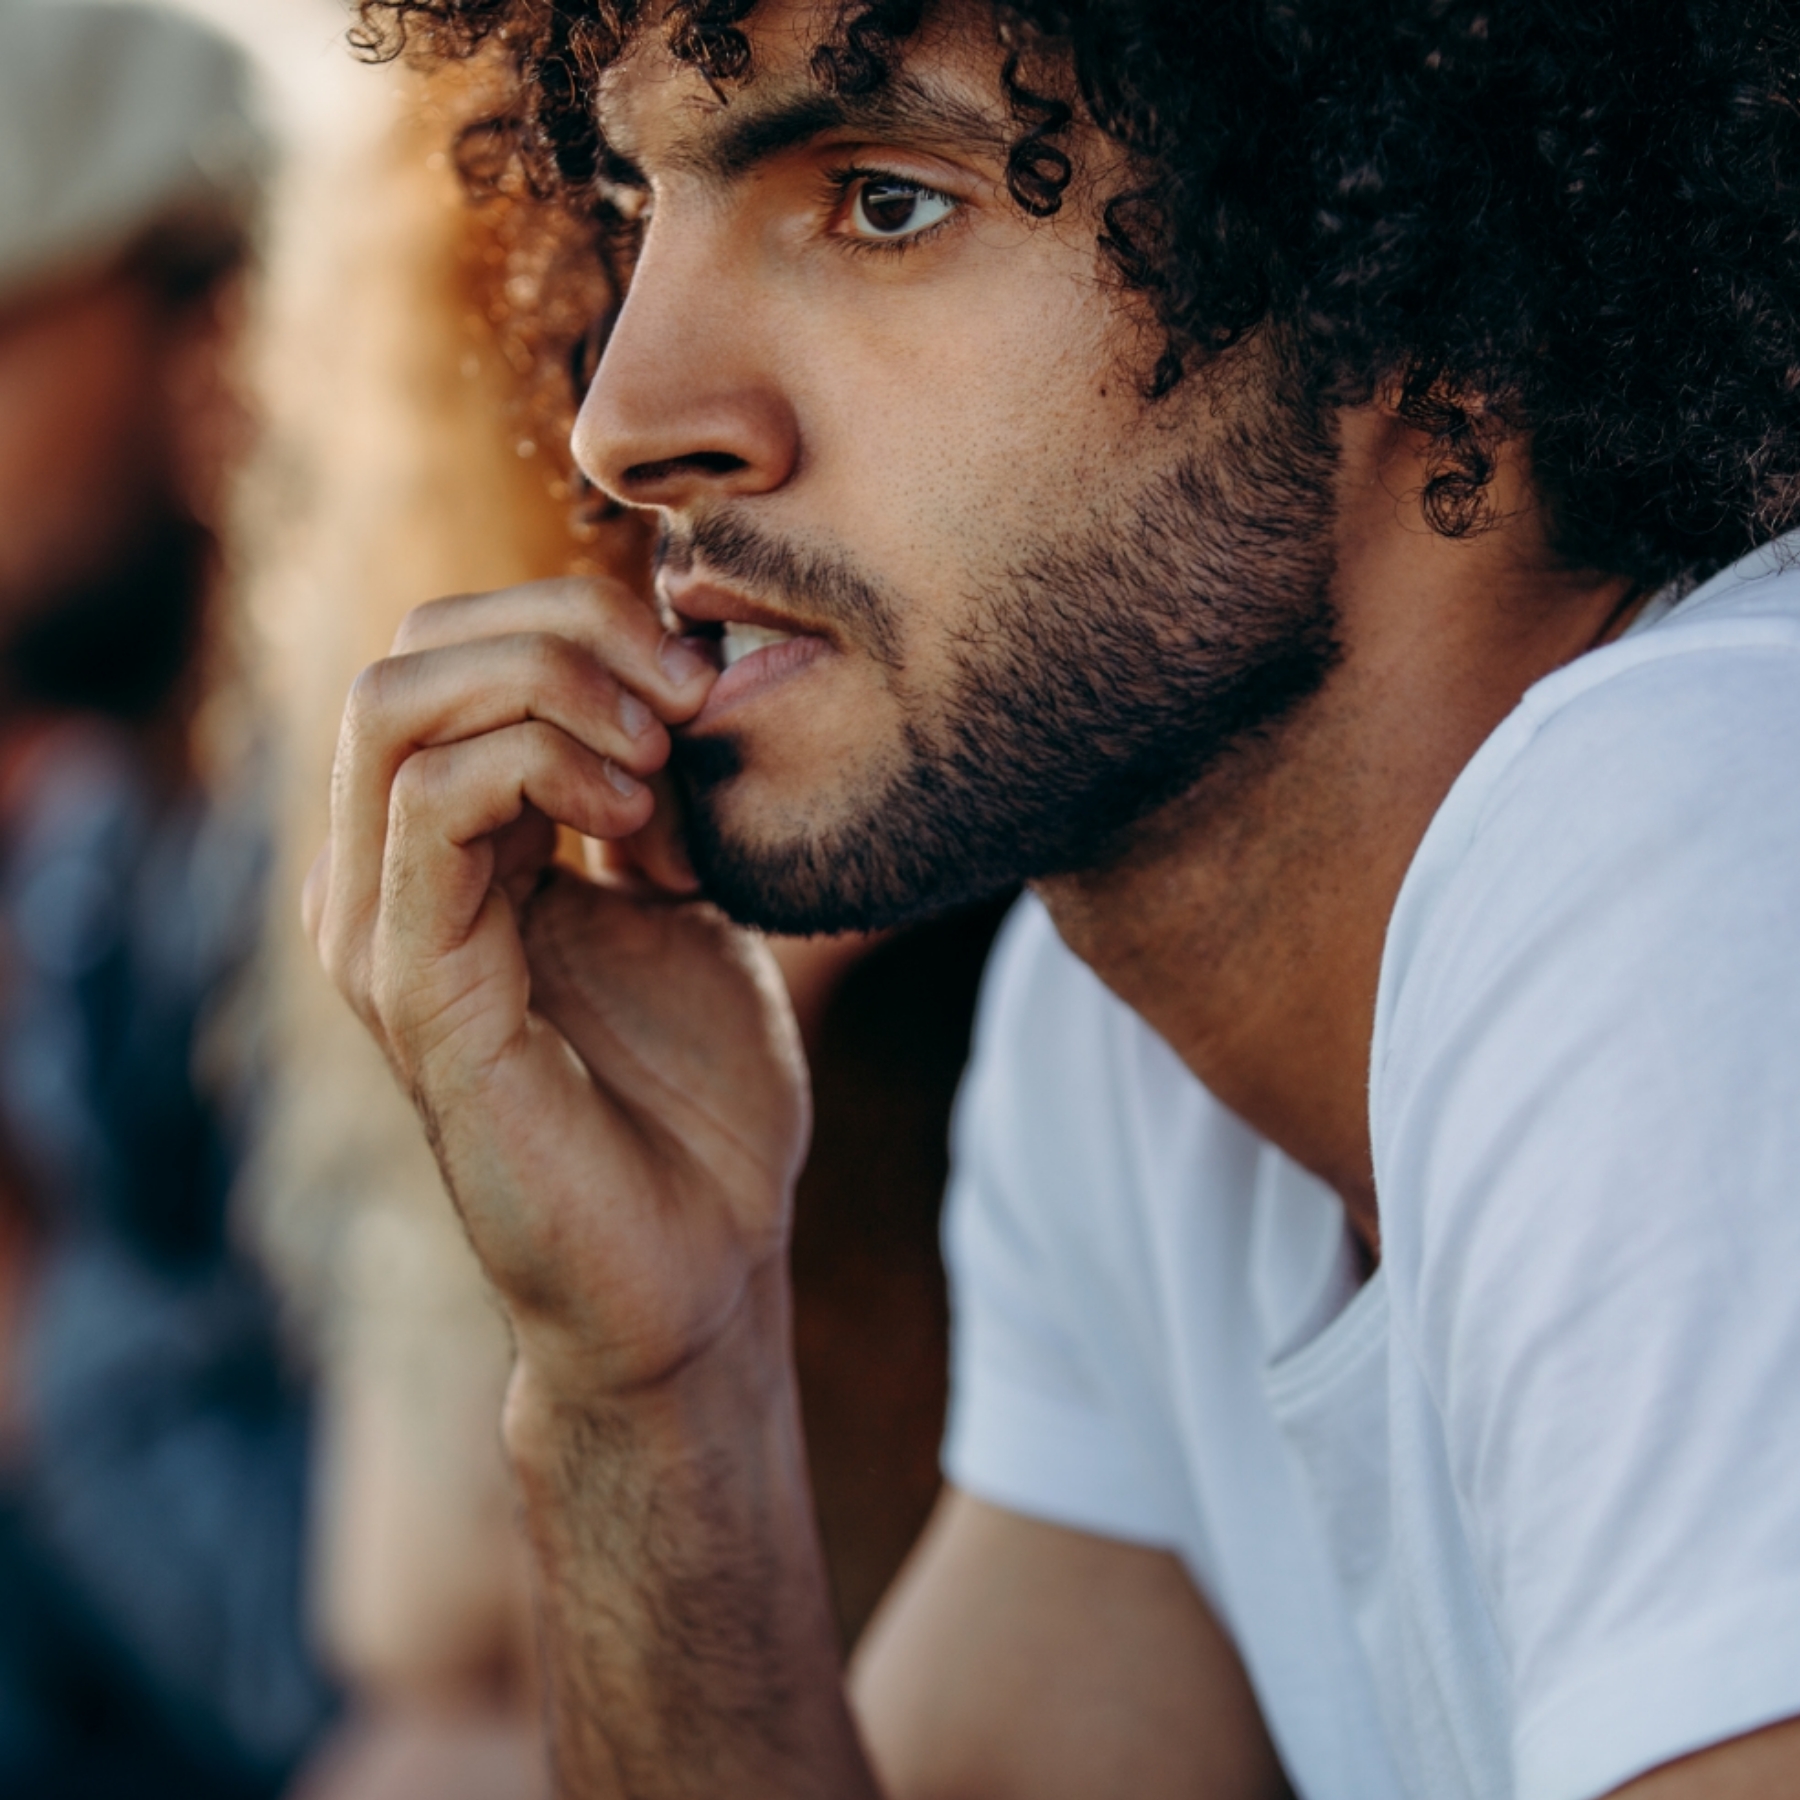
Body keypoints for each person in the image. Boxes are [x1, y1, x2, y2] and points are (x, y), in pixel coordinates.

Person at [315, 1, 1800, 1795]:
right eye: (638, 210)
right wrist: (651, 1387)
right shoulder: (1115, 1040)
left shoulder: (1704, 833)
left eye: (880, 201)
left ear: (1419, 274)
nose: (626, 425)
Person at [0, 4, 336, 1793]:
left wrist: (25, 1311)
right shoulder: (84, 847)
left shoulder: (414, 864)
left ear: (226, 325)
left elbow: (379, 1693)